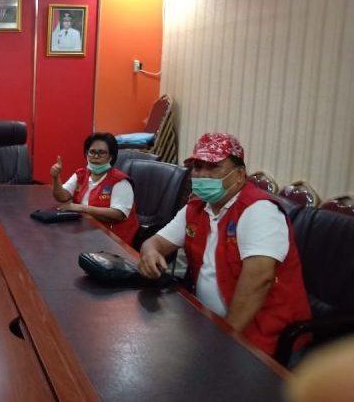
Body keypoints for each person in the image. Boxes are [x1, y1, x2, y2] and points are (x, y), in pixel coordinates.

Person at [138, 132, 311, 355]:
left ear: (239, 174)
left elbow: (259, 281)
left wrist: (224, 341)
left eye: (213, 167)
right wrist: (150, 253)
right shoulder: (197, 207)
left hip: (258, 336)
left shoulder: (259, 210)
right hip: (205, 322)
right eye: (198, 167)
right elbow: (155, 242)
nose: (202, 174)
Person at [50, 132, 139, 245]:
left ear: (111, 156)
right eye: (92, 152)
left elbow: (118, 214)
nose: (96, 156)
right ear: (86, 154)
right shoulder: (81, 174)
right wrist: (56, 178)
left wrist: (81, 208)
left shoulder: (120, 181)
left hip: (113, 239)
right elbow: (62, 196)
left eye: (101, 153)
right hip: (85, 230)